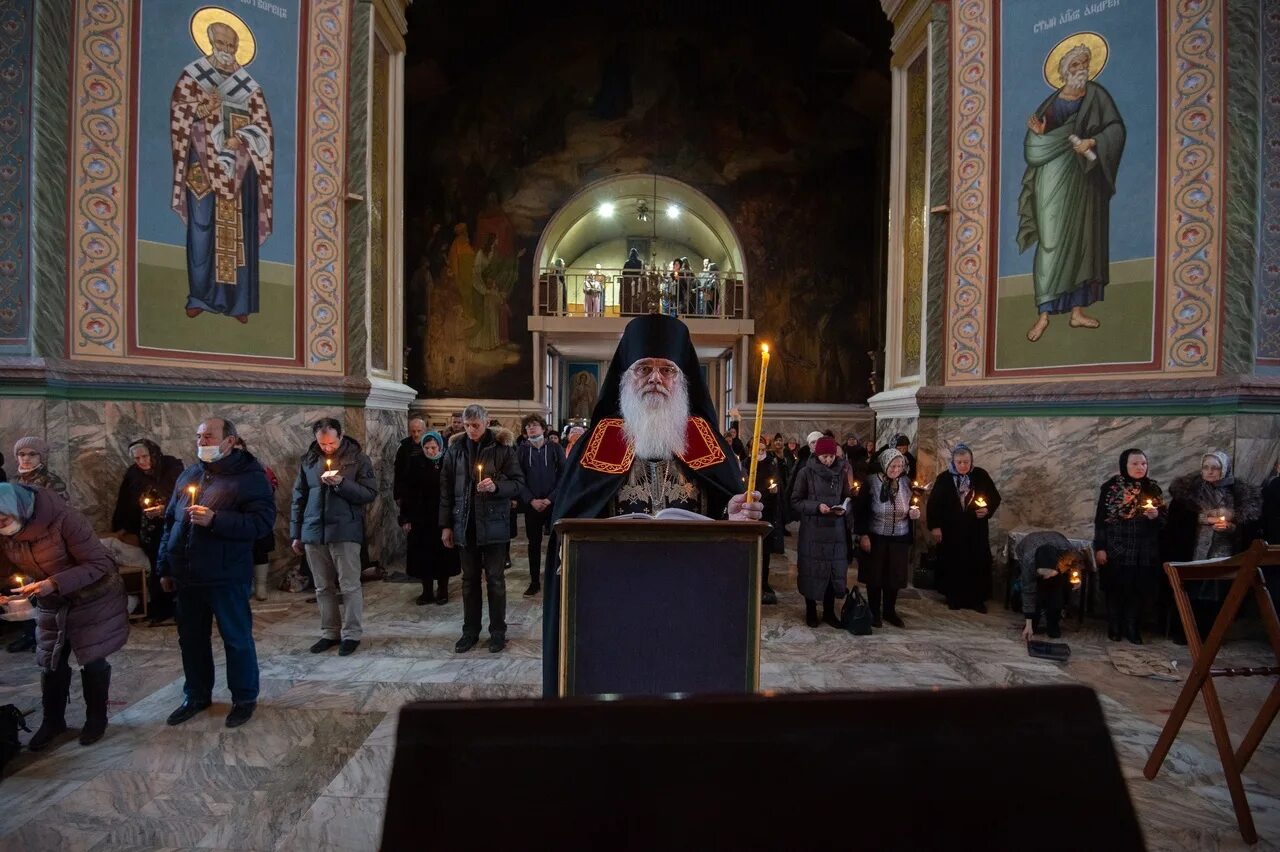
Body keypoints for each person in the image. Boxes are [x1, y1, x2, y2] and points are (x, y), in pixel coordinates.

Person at [546, 314, 762, 695]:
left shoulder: (707, 444)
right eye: (643, 368)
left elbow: (728, 522)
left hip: (690, 605)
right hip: (615, 605)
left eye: (667, 370)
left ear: (682, 381)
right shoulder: (596, 444)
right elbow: (568, 531)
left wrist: (734, 518)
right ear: (625, 379)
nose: (655, 378)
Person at [157, 417, 274, 728]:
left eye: (209, 436)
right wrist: (165, 566)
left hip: (226, 574)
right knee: (191, 640)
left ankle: (244, 697)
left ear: (229, 441)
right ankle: (196, 694)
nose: (201, 442)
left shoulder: (250, 477)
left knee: (236, 639)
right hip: (187, 575)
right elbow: (171, 523)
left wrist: (215, 520)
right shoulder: (189, 474)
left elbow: (261, 525)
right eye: (199, 436)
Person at [0, 482, 128, 749]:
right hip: (50, 598)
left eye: (3, 519)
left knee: (92, 658)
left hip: (92, 595)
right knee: (51, 659)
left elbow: (99, 563)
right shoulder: (6, 532)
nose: (2, 527)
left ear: (19, 508)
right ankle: (53, 721)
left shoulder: (65, 519)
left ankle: (96, 719)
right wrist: (4, 593)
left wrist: (55, 582)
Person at [169, 21, 275, 323]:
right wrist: (201, 110)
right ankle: (200, 297)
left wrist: (241, 138)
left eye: (232, 46)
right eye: (222, 44)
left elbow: (264, 127)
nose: (227, 51)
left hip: (239, 171)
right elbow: (179, 112)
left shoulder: (249, 86)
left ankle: (238, 302)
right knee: (202, 228)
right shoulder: (194, 76)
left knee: (239, 231)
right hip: (201, 164)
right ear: (210, 42)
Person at [1020, 42, 1125, 343]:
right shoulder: (1052, 102)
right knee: (1051, 241)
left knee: (1083, 242)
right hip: (1052, 179)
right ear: (1065, 71)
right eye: (1076, 65)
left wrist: (1092, 142)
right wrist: (1040, 134)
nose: (1082, 70)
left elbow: (1116, 129)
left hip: (1084, 180)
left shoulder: (1097, 96)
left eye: (1085, 64)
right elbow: (1038, 140)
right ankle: (1043, 314)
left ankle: (1077, 312)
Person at [290, 418, 378, 657]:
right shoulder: (308, 460)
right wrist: (296, 533)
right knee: (322, 587)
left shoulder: (358, 459)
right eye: (322, 443)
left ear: (340, 436)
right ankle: (330, 632)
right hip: (313, 531)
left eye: (331, 442)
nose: (327, 447)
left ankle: (351, 634)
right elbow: (299, 497)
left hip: (345, 530)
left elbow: (369, 493)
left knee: (349, 585)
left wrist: (341, 484)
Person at [440, 405, 523, 654]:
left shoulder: (502, 448)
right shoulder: (455, 450)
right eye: (466, 425)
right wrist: (446, 525)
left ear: (486, 422)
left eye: (475, 425)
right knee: (469, 581)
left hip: (493, 524)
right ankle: (470, 631)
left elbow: (518, 484)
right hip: (465, 524)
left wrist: (496, 487)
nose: (471, 430)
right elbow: (446, 490)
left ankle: (498, 632)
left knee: (495, 581)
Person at [1163, 451, 1262, 643]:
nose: (1209, 472)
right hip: (1194, 550)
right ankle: (1186, 633)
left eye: (1215, 468)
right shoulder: (1190, 492)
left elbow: (1247, 525)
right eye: (1206, 467)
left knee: (1215, 593)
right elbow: (1178, 520)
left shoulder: (1237, 494)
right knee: (1191, 591)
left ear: (1224, 470)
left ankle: (1210, 636)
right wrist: (1204, 519)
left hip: (1222, 550)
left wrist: (1230, 527)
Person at [1093, 448, 1166, 644]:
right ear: (1124, 465)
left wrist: (1156, 517)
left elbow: (1164, 521)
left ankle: (1132, 627)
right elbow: (1101, 520)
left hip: (1143, 550)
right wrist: (1100, 547)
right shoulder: (1111, 488)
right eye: (1134, 463)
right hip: (1117, 546)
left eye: (1143, 463)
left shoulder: (1153, 489)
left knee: (1137, 589)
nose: (1140, 467)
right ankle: (1114, 626)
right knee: (1115, 588)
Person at [110, 438, 184, 622]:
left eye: (145, 456)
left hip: (174, 525)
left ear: (153, 454)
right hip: (149, 528)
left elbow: (182, 497)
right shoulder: (134, 474)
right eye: (137, 458)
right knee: (155, 565)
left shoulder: (172, 467)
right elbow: (126, 503)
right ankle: (161, 606)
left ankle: (179, 606)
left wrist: (164, 508)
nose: (142, 461)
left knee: (174, 564)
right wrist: (122, 528)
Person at [927, 444, 1001, 613]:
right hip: (952, 529)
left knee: (977, 562)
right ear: (953, 461)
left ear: (971, 460)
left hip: (976, 529)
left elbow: (994, 497)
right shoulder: (944, 479)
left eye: (966, 462)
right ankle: (953, 597)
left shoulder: (980, 475)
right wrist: (935, 527)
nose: (963, 466)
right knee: (953, 562)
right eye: (959, 462)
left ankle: (977, 599)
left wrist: (987, 509)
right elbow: (933, 505)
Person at [10, 436, 67, 653]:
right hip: (21, 544)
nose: (26, 459)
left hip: (44, 544)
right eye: (22, 454)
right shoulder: (17, 481)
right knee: (23, 589)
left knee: (44, 591)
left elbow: (60, 512)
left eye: (31, 454)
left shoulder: (51, 481)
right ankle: (28, 633)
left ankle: (48, 636)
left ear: (41, 457)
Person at [855, 447, 921, 628]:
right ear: (884, 465)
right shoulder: (871, 482)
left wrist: (914, 514)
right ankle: (874, 611)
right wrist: (863, 535)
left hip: (899, 537)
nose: (896, 470)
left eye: (900, 466)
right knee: (875, 576)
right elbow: (860, 511)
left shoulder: (906, 482)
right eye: (892, 466)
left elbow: (911, 506)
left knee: (894, 577)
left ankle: (890, 611)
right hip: (876, 536)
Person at [791, 436, 853, 627]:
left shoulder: (841, 473)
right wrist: (817, 506)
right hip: (813, 531)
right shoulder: (805, 473)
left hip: (835, 532)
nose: (828, 460)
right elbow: (796, 501)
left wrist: (845, 509)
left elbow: (847, 497)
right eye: (824, 456)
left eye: (831, 456)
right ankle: (810, 611)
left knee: (832, 572)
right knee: (812, 570)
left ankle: (828, 611)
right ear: (817, 455)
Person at [399, 431, 459, 605]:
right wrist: (406, 517)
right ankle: (426, 591)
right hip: (421, 517)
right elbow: (407, 492)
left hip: (442, 516)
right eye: (427, 448)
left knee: (443, 555)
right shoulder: (415, 462)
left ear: (440, 446)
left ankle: (442, 589)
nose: (430, 451)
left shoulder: (447, 462)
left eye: (433, 447)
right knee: (422, 555)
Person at [517, 414, 564, 597]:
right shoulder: (521, 450)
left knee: (556, 543)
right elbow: (518, 478)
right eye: (528, 426)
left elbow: (563, 475)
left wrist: (551, 498)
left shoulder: (554, 448)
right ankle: (534, 581)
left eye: (535, 425)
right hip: (532, 505)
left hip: (552, 503)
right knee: (533, 544)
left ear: (543, 428)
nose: (531, 428)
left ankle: (556, 579)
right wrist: (530, 500)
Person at [232, 437, 277, 601]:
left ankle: (261, 586)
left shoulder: (258, 467)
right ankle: (245, 586)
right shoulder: (223, 469)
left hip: (257, 516)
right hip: (236, 518)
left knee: (260, 551)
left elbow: (271, 485)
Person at [1019, 541, 1084, 641]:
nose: (1046, 578)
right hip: (1036, 573)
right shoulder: (1028, 561)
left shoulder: (1066, 552)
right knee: (1035, 597)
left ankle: (1053, 624)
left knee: (1056, 600)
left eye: (1048, 575)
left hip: (1057, 576)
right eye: (1044, 575)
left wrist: (1077, 576)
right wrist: (1028, 623)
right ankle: (1033, 623)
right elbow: (1028, 593)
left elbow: (1076, 562)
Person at [753, 436, 783, 605]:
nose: (761, 453)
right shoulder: (746, 463)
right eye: (757, 450)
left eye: (763, 450)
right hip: (750, 511)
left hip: (767, 512)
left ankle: (764, 582)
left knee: (765, 551)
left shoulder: (772, 463)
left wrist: (774, 492)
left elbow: (776, 483)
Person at [393, 417, 428, 510]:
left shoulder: (431, 445)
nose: (416, 434)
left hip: (427, 491)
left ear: (424, 430)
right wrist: (397, 494)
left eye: (419, 431)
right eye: (413, 431)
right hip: (408, 491)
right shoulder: (404, 448)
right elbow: (398, 472)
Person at [622, 247, 643, 313]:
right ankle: (634, 309)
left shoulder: (628, 262)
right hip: (633, 282)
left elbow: (624, 273)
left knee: (633, 296)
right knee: (632, 296)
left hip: (632, 282)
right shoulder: (639, 262)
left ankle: (632, 309)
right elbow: (624, 273)